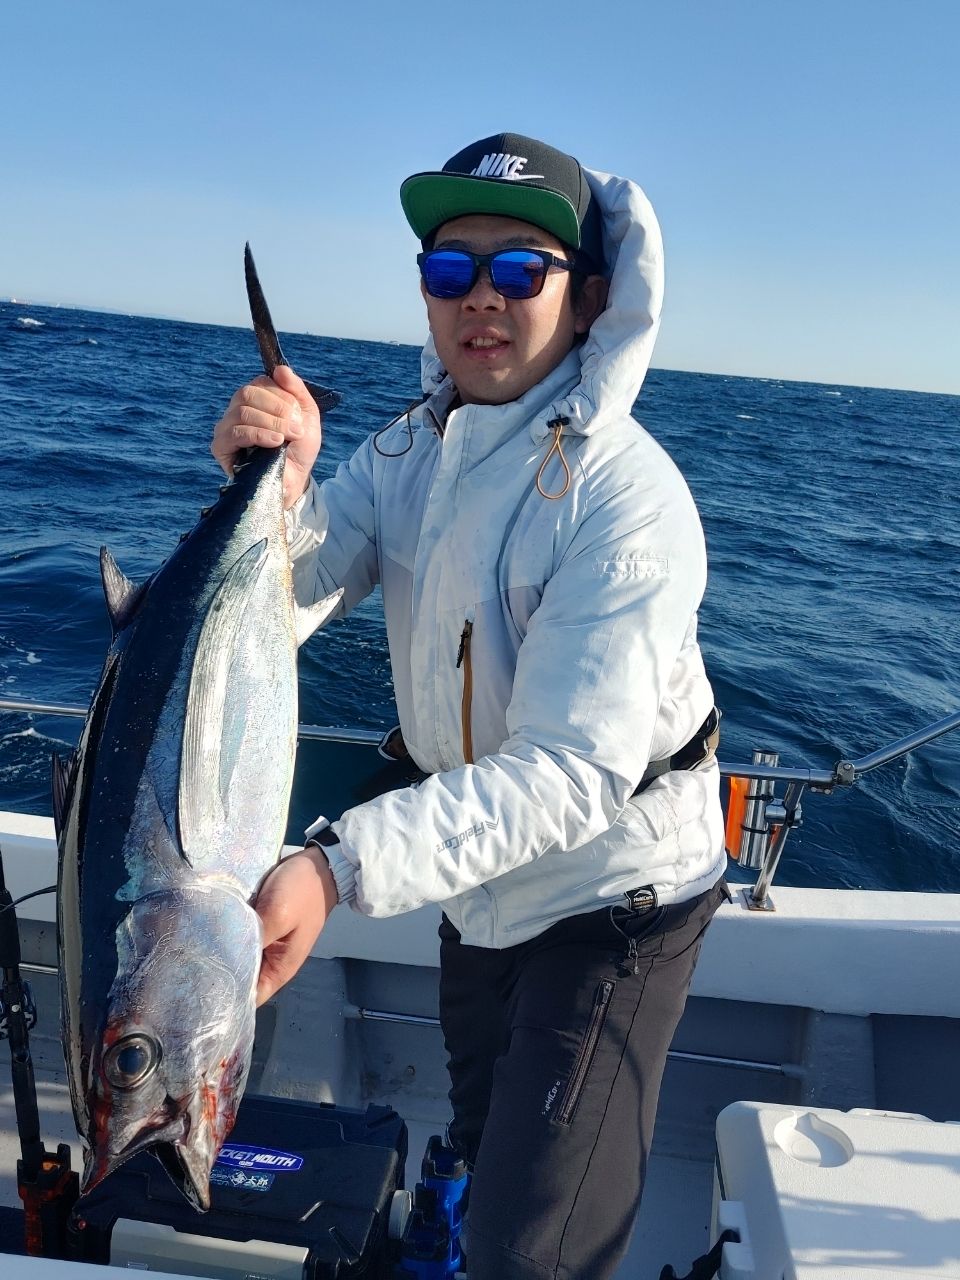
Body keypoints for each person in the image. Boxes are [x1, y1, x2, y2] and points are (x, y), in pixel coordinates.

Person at [212, 132, 727, 1280]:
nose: (479, 299)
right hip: (476, 883)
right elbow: (287, 594)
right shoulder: (410, 452)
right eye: (451, 271)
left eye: (518, 271)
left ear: (588, 298)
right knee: (487, 1140)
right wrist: (274, 488)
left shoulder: (628, 497)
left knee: (526, 1248)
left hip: (615, 895)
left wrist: (334, 866)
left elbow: (571, 774)